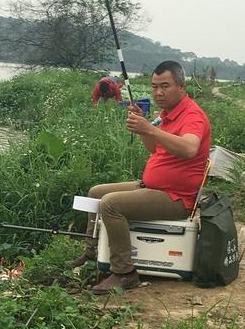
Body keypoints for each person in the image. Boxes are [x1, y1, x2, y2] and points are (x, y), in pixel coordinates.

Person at [71, 60, 211, 294]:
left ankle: (125, 273)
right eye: (154, 86)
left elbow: (189, 148)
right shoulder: (167, 114)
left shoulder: (192, 115)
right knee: (96, 193)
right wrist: (143, 128)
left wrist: (150, 128)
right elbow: (153, 148)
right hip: (151, 187)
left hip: (175, 198)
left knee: (111, 204)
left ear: (182, 86)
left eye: (165, 86)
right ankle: (92, 252)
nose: (158, 92)